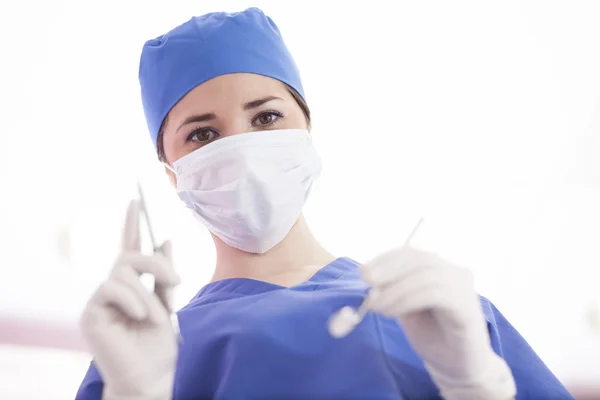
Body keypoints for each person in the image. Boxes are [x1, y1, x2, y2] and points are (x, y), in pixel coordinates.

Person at [75, 8, 573, 400]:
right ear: (172, 174)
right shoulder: (142, 351)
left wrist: (481, 389)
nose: (244, 151)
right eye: (203, 134)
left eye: (266, 118)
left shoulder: (436, 312)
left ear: (306, 131)